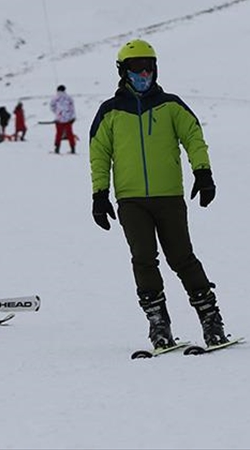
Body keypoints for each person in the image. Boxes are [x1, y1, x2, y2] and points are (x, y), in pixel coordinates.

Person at [89, 39, 228, 349]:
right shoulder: (110, 112)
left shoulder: (171, 106)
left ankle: (211, 320)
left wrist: (203, 173)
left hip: (169, 197)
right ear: (123, 72)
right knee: (143, 258)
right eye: (136, 68)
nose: (144, 74)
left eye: (149, 67)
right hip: (131, 200)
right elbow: (99, 154)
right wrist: (100, 194)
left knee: (181, 257)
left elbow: (193, 137)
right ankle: (158, 325)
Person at [50, 85, 77, 154]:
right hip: (68, 120)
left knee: (58, 134)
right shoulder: (69, 98)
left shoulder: (55, 98)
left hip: (59, 120)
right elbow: (72, 108)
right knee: (70, 134)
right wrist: (72, 117)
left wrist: (57, 113)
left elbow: (52, 107)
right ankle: (73, 148)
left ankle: (57, 148)